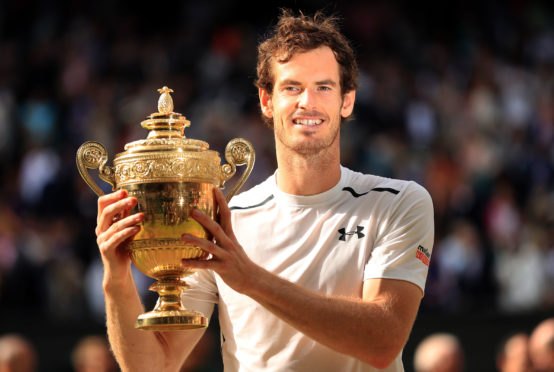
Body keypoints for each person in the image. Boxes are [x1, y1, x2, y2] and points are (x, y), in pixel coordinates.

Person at [95, 9, 434, 372]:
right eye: (292, 87)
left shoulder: (400, 202)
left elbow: (382, 341)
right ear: (266, 100)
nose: (308, 102)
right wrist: (116, 280)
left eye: (324, 87)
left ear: (346, 101)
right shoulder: (222, 222)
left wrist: (250, 279)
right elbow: (154, 366)